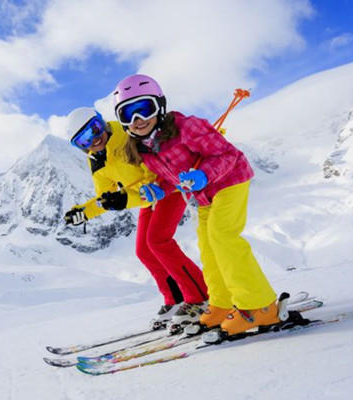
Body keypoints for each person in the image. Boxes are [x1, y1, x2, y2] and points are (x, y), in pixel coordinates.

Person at [113, 73, 280, 337]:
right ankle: (222, 304)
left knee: (222, 236)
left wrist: (203, 175)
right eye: (127, 113)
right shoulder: (143, 149)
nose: (138, 119)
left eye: (144, 108)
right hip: (203, 196)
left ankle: (260, 306)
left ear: (160, 106)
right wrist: (160, 188)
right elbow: (172, 177)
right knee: (208, 246)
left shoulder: (187, 128)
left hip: (230, 180)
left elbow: (227, 154)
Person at [63, 107, 208, 330]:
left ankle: (200, 297)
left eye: (95, 129)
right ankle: (176, 299)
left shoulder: (126, 135)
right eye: (84, 140)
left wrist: (125, 199)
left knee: (158, 241)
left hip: (167, 186)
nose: (94, 139)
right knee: (144, 251)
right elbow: (106, 197)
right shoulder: (97, 160)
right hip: (146, 197)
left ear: (102, 122)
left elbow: (153, 170)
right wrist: (85, 211)